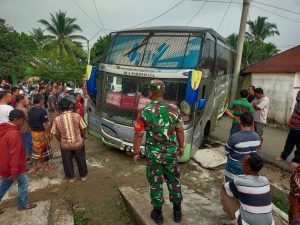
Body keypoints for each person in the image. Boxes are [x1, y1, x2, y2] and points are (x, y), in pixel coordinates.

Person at [133, 80, 185, 224]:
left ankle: (158, 215)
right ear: (162, 92)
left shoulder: (144, 111)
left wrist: (135, 152)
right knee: (174, 181)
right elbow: (180, 129)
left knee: (156, 183)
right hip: (171, 154)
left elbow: (138, 134)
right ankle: (177, 212)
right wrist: (181, 147)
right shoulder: (174, 109)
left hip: (153, 155)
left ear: (150, 92)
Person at [220, 153, 274, 225]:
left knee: (224, 190)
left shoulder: (239, 182)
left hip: (247, 223)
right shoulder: (265, 180)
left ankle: (235, 219)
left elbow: (224, 187)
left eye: (243, 162)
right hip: (269, 223)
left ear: (247, 168)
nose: (241, 163)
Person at [0, 109, 37, 213]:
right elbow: (14, 154)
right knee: (23, 183)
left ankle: (22, 203)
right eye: (23, 120)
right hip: (12, 165)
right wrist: (14, 170)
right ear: (16, 120)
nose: (24, 122)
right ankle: (23, 204)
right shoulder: (14, 133)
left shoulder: (3, 129)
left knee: (4, 185)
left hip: (4, 163)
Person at [51, 98, 88, 182]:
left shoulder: (57, 119)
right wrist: (82, 137)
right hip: (78, 142)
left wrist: (61, 140)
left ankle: (71, 178)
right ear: (70, 106)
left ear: (60, 107)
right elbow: (83, 128)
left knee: (67, 161)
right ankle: (83, 176)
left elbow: (56, 133)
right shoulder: (77, 116)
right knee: (81, 159)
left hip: (65, 144)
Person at [224, 112, 260, 181]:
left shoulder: (234, 137)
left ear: (240, 121)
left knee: (230, 187)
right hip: (248, 168)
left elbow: (226, 151)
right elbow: (255, 151)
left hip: (233, 169)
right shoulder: (257, 137)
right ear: (252, 123)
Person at [28, 94, 53, 173]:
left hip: (33, 133)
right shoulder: (42, 111)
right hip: (41, 133)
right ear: (41, 101)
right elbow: (45, 124)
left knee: (35, 150)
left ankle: (35, 167)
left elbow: (28, 121)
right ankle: (46, 166)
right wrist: (49, 133)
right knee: (45, 149)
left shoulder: (30, 110)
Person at [276, 91, 300, 163]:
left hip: (299, 129)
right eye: (297, 95)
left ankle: (296, 161)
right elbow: (294, 113)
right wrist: (290, 121)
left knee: (299, 146)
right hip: (293, 127)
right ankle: (283, 156)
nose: (297, 96)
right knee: (289, 143)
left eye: (299, 95)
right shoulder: (297, 103)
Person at [16, 95, 32, 161]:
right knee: (28, 144)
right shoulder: (22, 109)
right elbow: (27, 119)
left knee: (26, 144)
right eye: (24, 99)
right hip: (26, 129)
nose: (26, 100)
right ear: (21, 100)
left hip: (21, 129)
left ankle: (28, 158)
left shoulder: (17, 108)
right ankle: (28, 158)